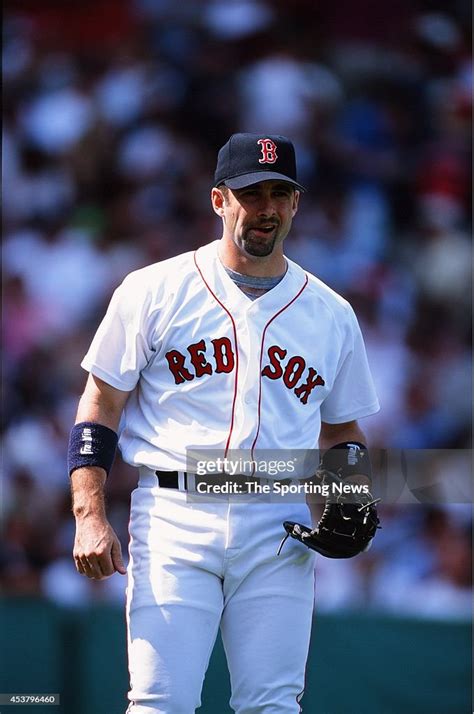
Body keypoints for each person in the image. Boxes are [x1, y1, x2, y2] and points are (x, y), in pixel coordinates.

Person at [69, 133, 380, 713]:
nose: (265, 208)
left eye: (279, 194)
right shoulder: (153, 290)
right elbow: (100, 403)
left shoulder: (332, 314)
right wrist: (89, 514)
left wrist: (350, 498)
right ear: (219, 201)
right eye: (250, 194)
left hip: (278, 525)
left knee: (273, 705)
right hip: (173, 517)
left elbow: (342, 432)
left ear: (296, 203)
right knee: (161, 702)